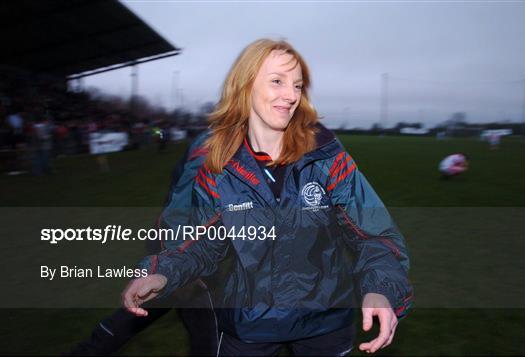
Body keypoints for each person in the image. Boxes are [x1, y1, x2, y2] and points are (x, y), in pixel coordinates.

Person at [122, 39, 413, 356]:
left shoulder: (327, 157)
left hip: (326, 322)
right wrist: (161, 272)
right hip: (248, 323)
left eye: (297, 85)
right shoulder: (219, 166)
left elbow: (375, 235)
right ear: (245, 86)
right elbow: (201, 244)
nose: (291, 95)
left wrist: (380, 289)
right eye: (277, 81)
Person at [67, 132, 220, 356]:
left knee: (137, 311)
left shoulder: (213, 138)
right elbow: (185, 201)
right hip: (183, 250)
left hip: (174, 246)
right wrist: (177, 257)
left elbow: (176, 187)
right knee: (210, 338)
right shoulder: (220, 144)